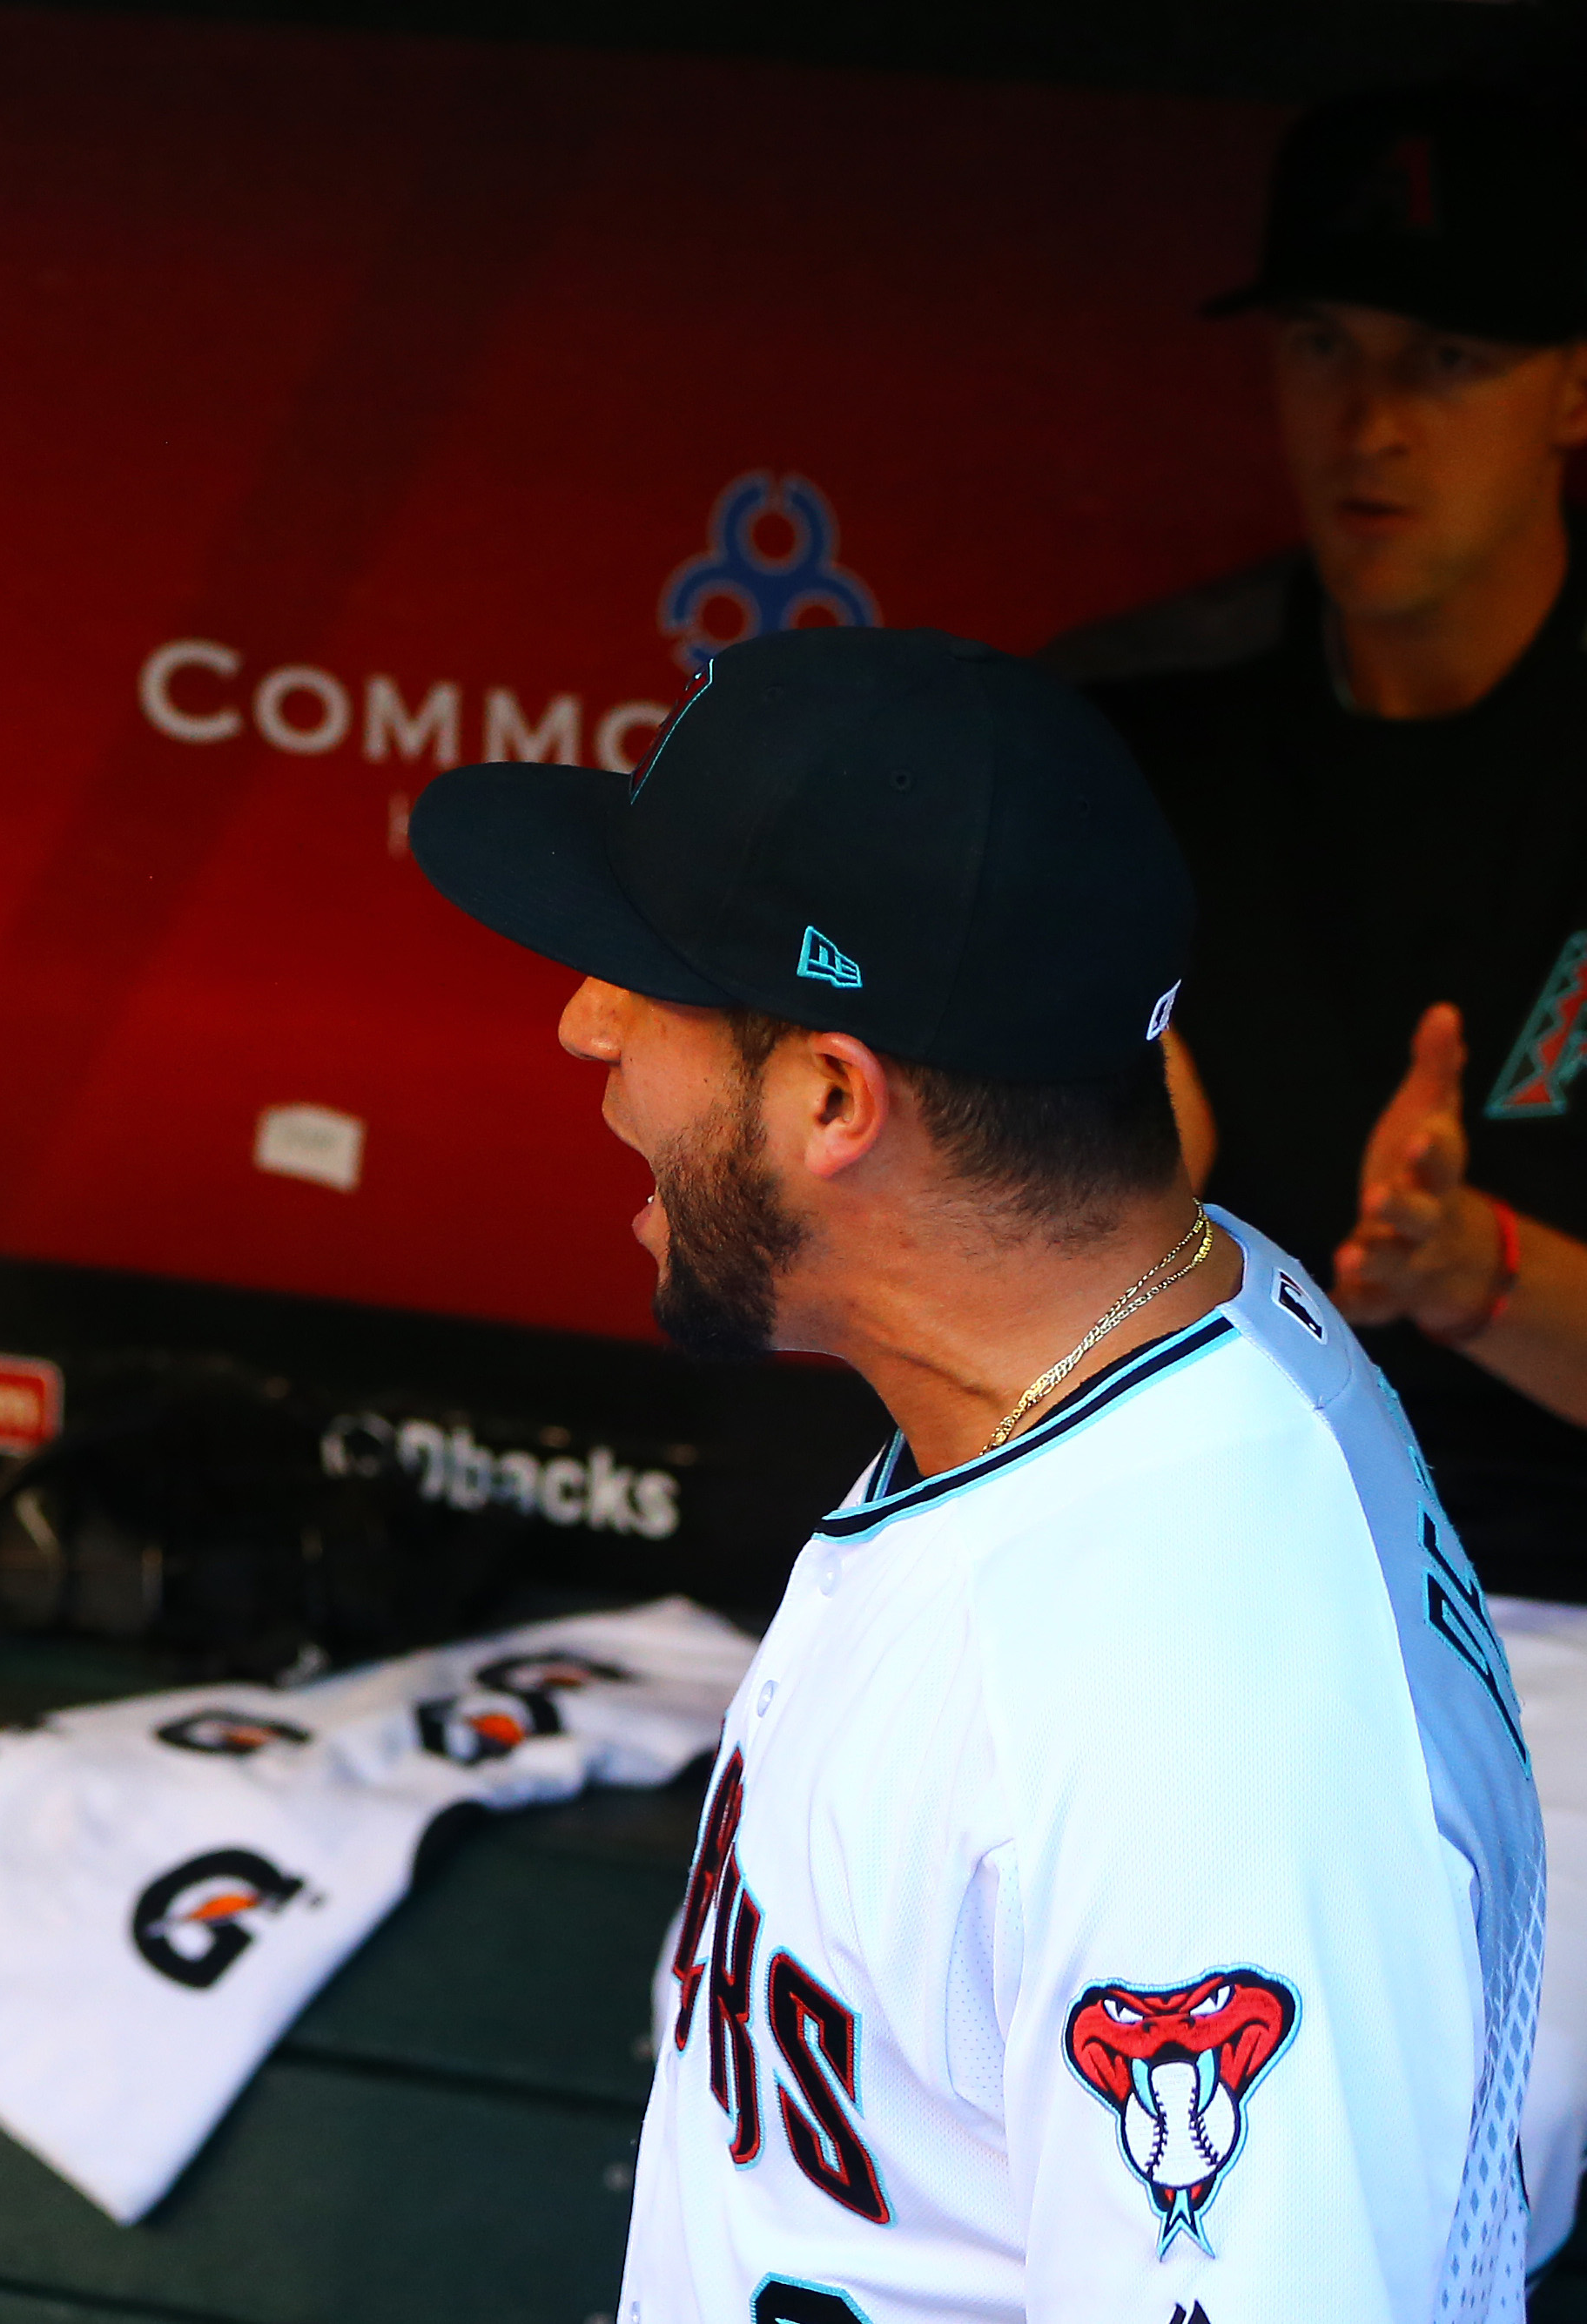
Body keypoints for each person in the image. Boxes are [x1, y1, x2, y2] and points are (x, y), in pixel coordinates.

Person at [412, 625, 1540, 2320]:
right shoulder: (1143, 1324)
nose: (584, 1026)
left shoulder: (1171, 1719)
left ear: (831, 1098)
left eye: (640, 982)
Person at [1055, 81, 1587, 2264]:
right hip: (1217, 1591)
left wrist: (1466, 1276)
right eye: (1320, 350)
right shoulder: (1142, 731)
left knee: (1351, 2147)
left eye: (1446, 360)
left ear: (1574, 387)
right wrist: (1114, 1221)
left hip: (1555, 1616)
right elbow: (1044, 1278)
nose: (1368, 419)